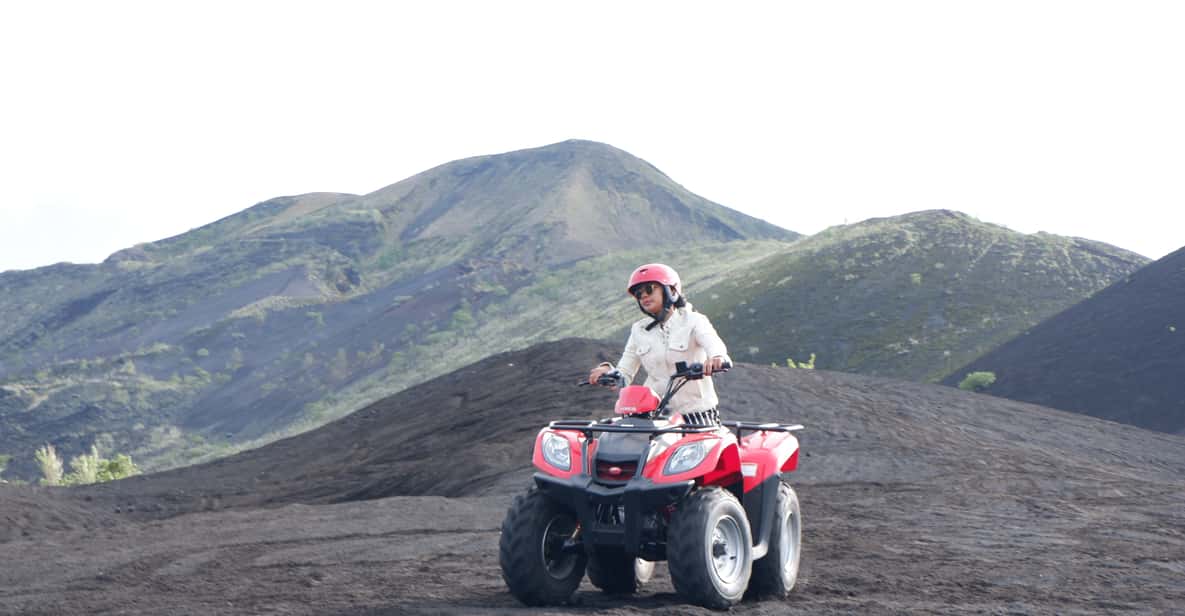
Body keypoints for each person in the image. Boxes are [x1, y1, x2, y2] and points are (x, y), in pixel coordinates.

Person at [588, 263, 732, 425]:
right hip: (655, 416)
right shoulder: (639, 329)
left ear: (671, 291)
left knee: (705, 448)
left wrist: (717, 357)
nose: (643, 296)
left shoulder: (694, 321)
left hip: (696, 414)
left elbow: (713, 343)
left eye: (649, 289)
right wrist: (610, 372)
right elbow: (625, 373)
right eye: (638, 294)